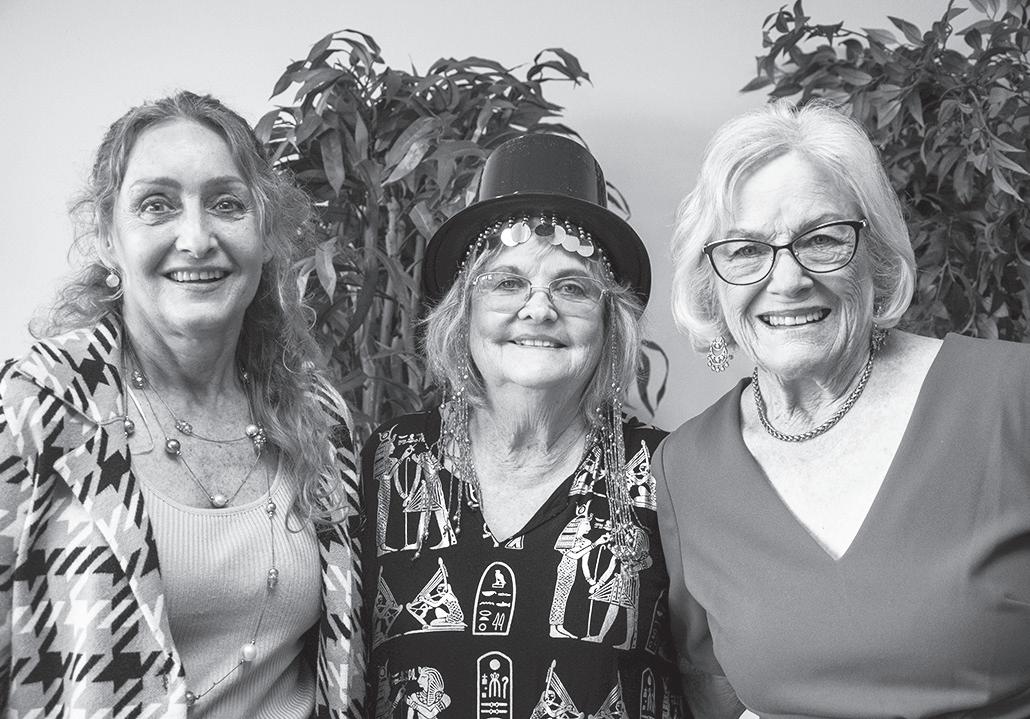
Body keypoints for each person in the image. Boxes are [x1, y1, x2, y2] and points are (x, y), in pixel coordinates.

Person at [656, 98, 1030, 718]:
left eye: (823, 239)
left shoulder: (1010, 397)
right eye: (746, 250)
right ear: (710, 283)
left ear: (875, 258)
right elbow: (710, 689)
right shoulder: (687, 465)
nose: (788, 280)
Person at [0, 92, 363, 717]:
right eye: (156, 205)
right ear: (108, 237)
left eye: (227, 204)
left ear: (265, 235)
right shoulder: (35, 407)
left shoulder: (318, 416)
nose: (196, 239)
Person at [361, 133, 686, 718]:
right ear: (462, 312)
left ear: (609, 323)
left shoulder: (669, 474)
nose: (538, 309)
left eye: (571, 287)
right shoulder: (388, 460)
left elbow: (718, 681)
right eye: (507, 283)